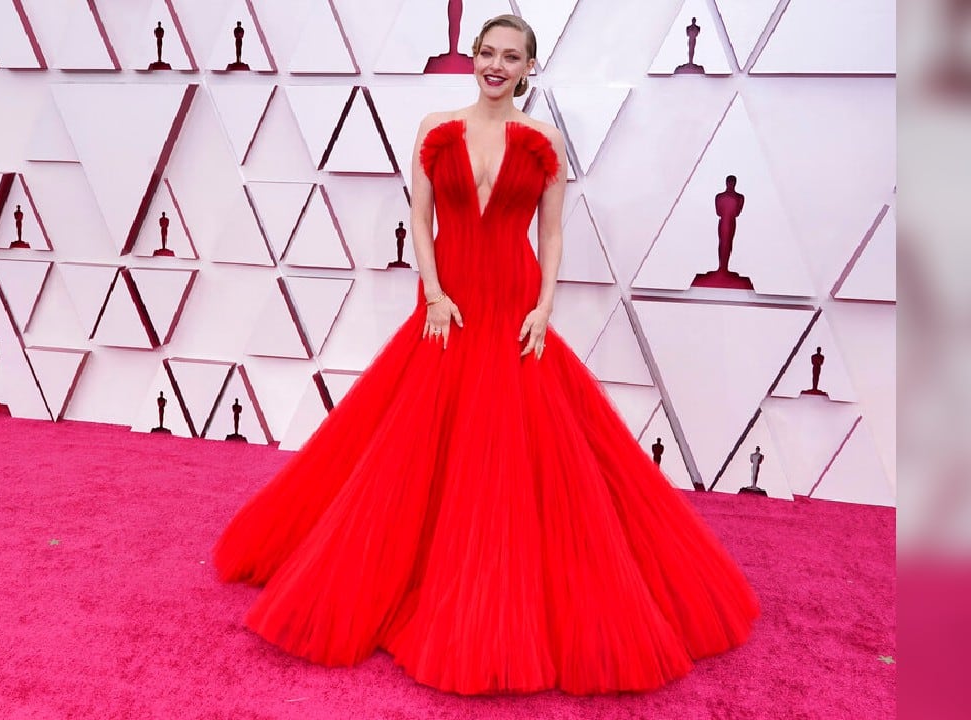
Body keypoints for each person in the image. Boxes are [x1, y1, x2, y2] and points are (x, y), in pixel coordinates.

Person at [213, 14, 758, 696]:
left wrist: (544, 306)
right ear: (472, 58)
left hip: (513, 306)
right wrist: (434, 294)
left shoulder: (544, 141)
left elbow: (553, 232)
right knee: (415, 450)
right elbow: (419, 216)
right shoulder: (435, 128)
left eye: (511, 57)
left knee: (512, 455)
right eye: (487, 53)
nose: (496, 65)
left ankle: (501, 593)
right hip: (449, 306)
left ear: (530, 68)